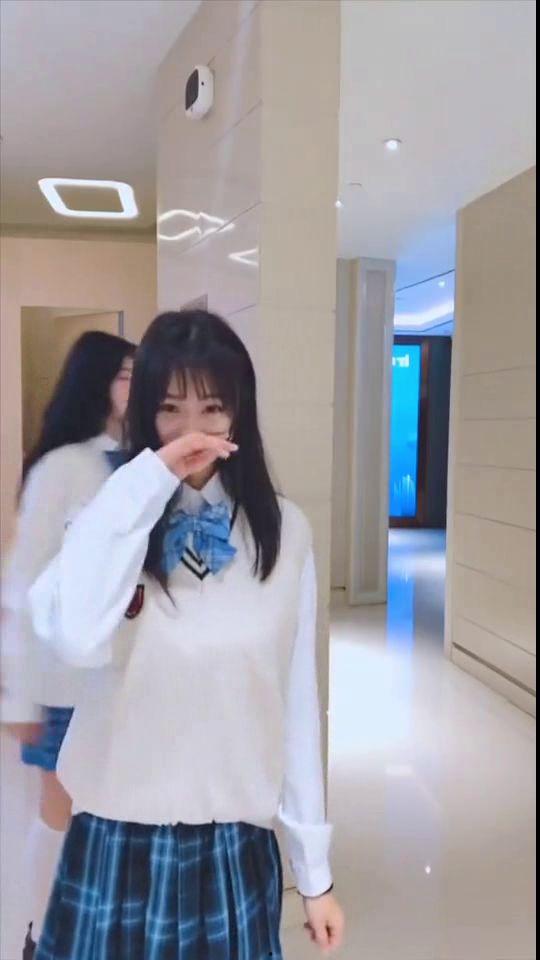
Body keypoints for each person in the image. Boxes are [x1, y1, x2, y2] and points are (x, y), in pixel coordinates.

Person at [29, 310, 345, 959]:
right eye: (170, 409)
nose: (191, 430)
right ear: (144, 412)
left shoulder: (285, 532)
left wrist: (314, 873)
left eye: (212, 407)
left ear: (239, 413)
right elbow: (75, 638)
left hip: (232, 847)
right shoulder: (107, 517)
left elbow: (294, 702)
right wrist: (147, 482)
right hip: (117, 838)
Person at [0, 330, 136, 958]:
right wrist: (18, 698)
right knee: (59, 814)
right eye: (127, 374)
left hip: (120, 678)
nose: (138, 386)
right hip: (64, 679)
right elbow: (23, 582)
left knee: (104, 816)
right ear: (98, 382)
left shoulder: (137, 460)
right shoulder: (63, 466)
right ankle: (38, 933)